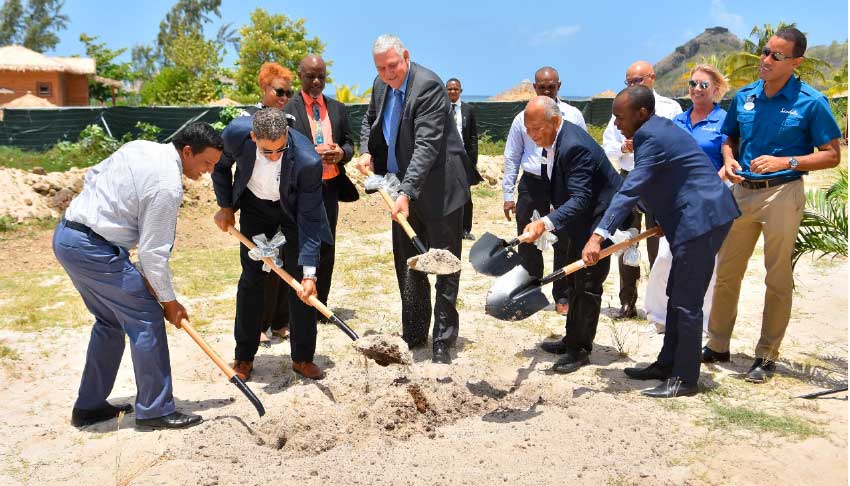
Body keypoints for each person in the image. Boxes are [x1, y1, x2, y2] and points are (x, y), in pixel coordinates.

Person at [54, 123, 223, 429]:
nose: (208, 171)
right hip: (93, 248)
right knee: (145, 315)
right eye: (206, 163)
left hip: (68, 237)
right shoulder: (167, 186)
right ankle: (156, 410)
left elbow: (92, 175)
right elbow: (152, 253)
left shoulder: (141, 146)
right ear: (187, 152)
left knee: (110, 321)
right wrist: (169, 302)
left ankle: (89, 407)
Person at [705, 27, 842, 383]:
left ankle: (766, 355)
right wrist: (728, 158)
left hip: (782, 194)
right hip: (741, 192)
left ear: (796, 62)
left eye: (776, 56)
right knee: (727, 272)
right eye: (765, 52)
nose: (765, 60)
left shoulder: (811, 102)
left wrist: (787, 162)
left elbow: (831, 156)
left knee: (777, 277)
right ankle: (718, 344)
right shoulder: (745, 96)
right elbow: (729, 138)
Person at [583, 86, 739, 398]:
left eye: (619, 117)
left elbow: (632, 189)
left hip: (702, 218)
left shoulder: (650, 136)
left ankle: (685, 378)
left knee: (687, 301)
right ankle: (667, 364)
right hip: (691, 216)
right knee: (675, 294)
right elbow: (664, 180)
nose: (615, 124)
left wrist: (598, 236)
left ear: (641, 113)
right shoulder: (656, 129)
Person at [356, 34, 470, 364]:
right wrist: (366, 149)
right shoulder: (380, 84)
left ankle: (443, 341)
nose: (388, 74)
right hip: (398, 187)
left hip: (439, 190)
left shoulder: (429, 87)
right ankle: (415, 333)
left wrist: (406, 192)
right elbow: (369, 118)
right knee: (409, 265)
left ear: (406, 56)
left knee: (444, 264)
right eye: (381, 68)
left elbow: (427, 146)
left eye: (393, 66)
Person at [212, 107, 333, 381]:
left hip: (291, 213)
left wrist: (310, 273)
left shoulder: (307, 160)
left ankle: (302, 357)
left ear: (287, 134)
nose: (275, 156)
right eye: (268, 151)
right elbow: (220, 168)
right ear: (254, 137)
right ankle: (244, 356)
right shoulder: (235, 135)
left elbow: (310, 219)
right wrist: (226, 206)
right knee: (252, 279)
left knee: (299, 282)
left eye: (280, 150)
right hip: (254, 209)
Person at [519, 96, 622, 374]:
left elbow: (581, 198)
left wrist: (546, 223)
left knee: (588, 284)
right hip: (581, 219)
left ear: (554, 121)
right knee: (574, 280)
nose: (532, 135)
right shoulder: (555, 139)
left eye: (536, 129)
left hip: (599, 221)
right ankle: (571, 339)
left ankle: (580, 350)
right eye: (527, 129)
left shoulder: (574, 146)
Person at [644, 64, 730, 333]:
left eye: (703, 85)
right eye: (692, 84)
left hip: (711, 199)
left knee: (706, 265)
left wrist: (712, 184)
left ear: (716, 89)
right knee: (665, 259)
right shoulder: (678, 121)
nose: (696, 89)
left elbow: (729, 157)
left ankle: (701, 323)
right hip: (679, 199)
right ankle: (660, 317)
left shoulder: (725, 120)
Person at [502, 66, 587, 316]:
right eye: (542, 86)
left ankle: (562, 295)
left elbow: (583, 150)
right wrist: (508, 195)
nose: (547, 90)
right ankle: (530, 292)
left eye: (551, 86)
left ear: (559, 86)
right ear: (535, 88)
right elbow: (512, 155)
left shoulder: (572, 115)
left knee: (564, 240)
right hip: (532, 183)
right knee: (527, 241)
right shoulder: (522, 118)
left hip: (562, 184)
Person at [602, 60, 683, 319]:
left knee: (658, 243)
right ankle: (628, 301)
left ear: (652, 78)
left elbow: (677, 143)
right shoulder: (622, 106)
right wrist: (624, 148)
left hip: (660, 180)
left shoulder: (670, 108)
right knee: (626, 238)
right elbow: (608, 146)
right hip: (629, 175)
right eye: (629, 81)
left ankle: (660, 303)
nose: (633, 85)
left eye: (638, 80)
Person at [283, 54, 359, 318]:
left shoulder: (337, 109)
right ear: (300, 75)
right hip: (301, 188)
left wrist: (341, 152)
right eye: (310, 76)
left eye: (321, 77)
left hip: (330, 186)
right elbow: (282, 149)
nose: (316, 81)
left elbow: (350, 144)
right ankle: (297, 305)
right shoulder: (288, 110)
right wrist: (310, 153)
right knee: (300, 243)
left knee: (327, 243)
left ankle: (320, 304)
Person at [252, 62, 295, 347]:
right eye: (279, 91)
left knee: (284, 265)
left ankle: (280, 321)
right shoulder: (249, 121)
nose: (283, 97)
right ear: (265, 88)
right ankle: (258, 324)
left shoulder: (289, 122)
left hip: (286, 204)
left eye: (288, 92)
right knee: (260, 269)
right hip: (257, 205)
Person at [446, 77, 483, 240]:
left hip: (464, 159)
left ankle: (465, 229)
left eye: (456, 89)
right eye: (450, 89)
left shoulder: (469, 110)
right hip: (446, 159)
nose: (453, 91)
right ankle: (448, 228)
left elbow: (473, 138)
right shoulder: (440, 109)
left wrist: (472, 162)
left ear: (461, 91)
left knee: (465, 196)